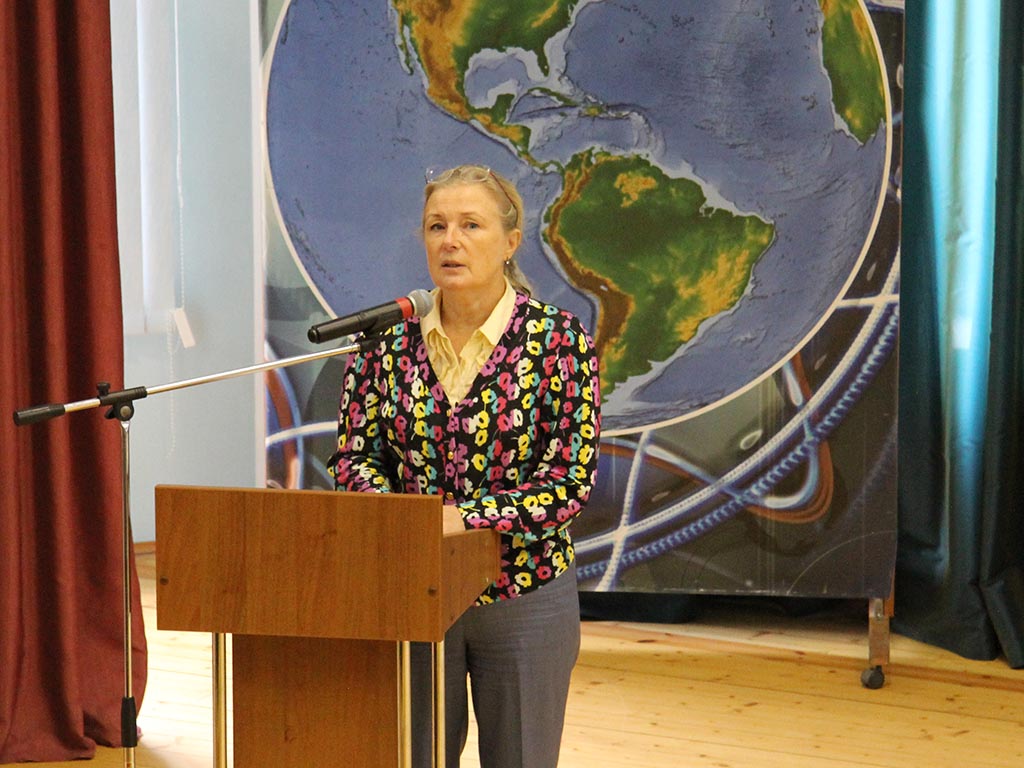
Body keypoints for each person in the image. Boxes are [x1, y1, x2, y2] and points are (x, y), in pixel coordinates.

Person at [327, 164, 601, 768]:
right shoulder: (384, 344)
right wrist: (396, 518)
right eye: (437, 226)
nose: (450, 240)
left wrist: (461, 519)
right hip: (412, 587)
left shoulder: (560, 340)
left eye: (470, 225)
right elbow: (354, 458)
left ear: (510, 242)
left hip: (524, 591)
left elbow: (568, 481)